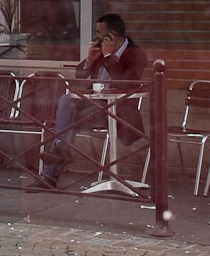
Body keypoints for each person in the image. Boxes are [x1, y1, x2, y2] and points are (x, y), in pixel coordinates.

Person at [38, 13, 148, 187]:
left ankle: (50, 173)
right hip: (92, 105)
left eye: (99, 32)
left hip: (116, 111)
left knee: (69, 124)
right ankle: (60, 149)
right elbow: (80, 74)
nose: (96, 37)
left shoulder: (136, 54)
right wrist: (90, 60)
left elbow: (126, 82)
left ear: (112, 34)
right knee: (66, 100)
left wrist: (109, 57)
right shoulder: (99, 48)